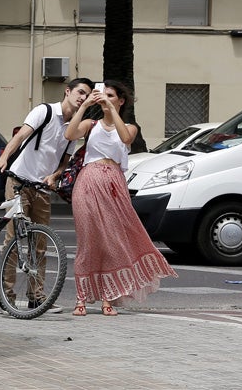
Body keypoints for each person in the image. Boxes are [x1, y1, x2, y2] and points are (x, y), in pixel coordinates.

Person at [56, 80, 177, 316]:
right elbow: (69, 133)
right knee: (88, 242)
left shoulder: (130, 127)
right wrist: (85, 105)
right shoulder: (91, 124)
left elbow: (125, 139)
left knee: (111, 242)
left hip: (114, 185)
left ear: (120, 101)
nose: (104, 98)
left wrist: (111, 110)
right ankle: (81, 298)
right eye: (102, 95)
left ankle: (108, 298)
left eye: (110, 95)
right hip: (88, 182)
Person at [0, 77, 94, 312]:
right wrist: (3, 159)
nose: (82, 98)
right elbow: (19, 137)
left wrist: (55, 176)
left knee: (40, 244)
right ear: (67, 92)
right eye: (80, 92)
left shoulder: (73, 127)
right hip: (18, 182)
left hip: (41, 188)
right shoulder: (44, 111)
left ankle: (36, 297)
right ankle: (6, 297)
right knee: (13, 241)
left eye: (87, 95)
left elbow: (65, 160)